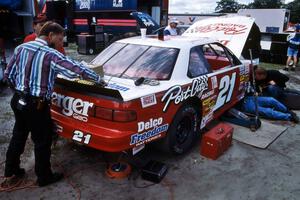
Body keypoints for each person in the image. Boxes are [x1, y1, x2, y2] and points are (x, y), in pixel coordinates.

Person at [1, 22, 105, 188]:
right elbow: (76, 69)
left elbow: (8, 75)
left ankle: (11, 170)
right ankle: (44, 177)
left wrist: (21, 92)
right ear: (50, 35)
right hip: (37, 105)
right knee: (42, 141)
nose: (61, 42)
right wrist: (98, 79)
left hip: (18, 101)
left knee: (18, 135)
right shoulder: (51, 54)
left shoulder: (21, 48)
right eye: (59, 38)